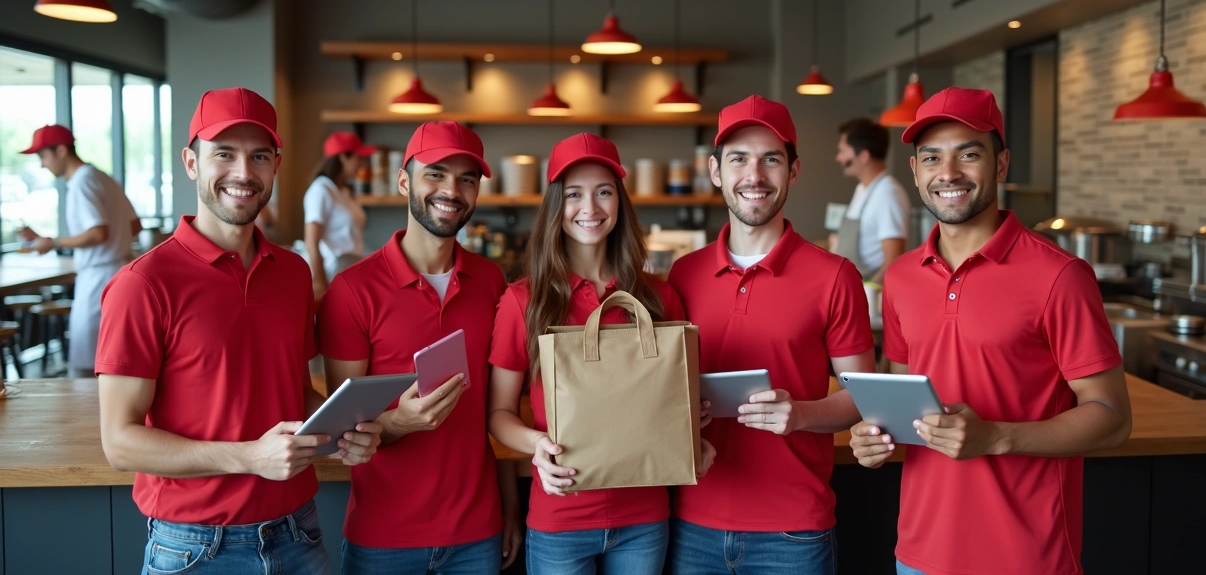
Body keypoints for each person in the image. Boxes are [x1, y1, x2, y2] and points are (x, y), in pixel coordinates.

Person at [95, 87, 382, 574]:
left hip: (299, 533)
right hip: (195, 547)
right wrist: (249, 457)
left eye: (259, 156)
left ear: (276, 166)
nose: (244, 173)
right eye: (223, 154)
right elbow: (120, 443)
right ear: (191, 162)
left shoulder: (293, 274)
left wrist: (344, 431)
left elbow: (292, 391)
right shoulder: (142, 283)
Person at [849, 87, 1132, 575]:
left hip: (1026, 556)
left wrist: (998, 437)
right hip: (918, 553)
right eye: (932, 157)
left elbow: (1112, 417)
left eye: (969, 154)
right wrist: (874, 438)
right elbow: (903, 401)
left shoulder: (1060, 276)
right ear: (915, 171)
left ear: (1001, 165)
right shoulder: (900, 278)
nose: (949, 173)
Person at [664, 95, 875, 575]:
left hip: (794, 533)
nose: (754, 176)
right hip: (690, 524)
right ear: (716, 172)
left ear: (794, 171)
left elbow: (863, 397)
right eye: (738, 159)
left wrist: (800, 413)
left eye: (771, 160)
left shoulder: (835, 276)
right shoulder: (682, 275)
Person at [486, 132, 714, 575]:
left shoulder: (660, 298)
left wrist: (692, 430)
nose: (590, 208)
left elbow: (676, 405)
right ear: (556, 205)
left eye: (604, 192)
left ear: (620, 203)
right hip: (559, 516)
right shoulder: (522, 301)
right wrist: (537, 446)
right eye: (574, 194)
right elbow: (497, 413)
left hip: (645, 519)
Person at [318, 120, 522, 574]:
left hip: (477, 535)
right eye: (436, 173)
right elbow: (341, 432)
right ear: (404, 180)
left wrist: (510, 505)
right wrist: (397, 423)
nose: (452, 189)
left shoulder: (492, 283)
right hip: (383, 539)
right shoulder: (353, 291)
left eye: (467, 179)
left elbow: (499, 407)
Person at [18, 124, 140, 377]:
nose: (42, 165)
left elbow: (97, 232)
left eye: (43, 156)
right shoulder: (101, 177)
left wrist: (52, 242)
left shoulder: (82, 182)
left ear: (61, 150)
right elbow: (134, 225)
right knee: (115, 358)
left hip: (98, 278)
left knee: (87, 364)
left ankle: (90, 415)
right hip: (121, 271)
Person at [831, 117, 910, 283]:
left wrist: (870, 295)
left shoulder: (888, 193)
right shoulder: (862, 189)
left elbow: (893, 261)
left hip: (867, 296)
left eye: (843, 151)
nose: (838, 158)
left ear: (864, 156)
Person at [304, 131, 372, 298]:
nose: (363, 164)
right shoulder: (321, 190)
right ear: (343, 157)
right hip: (333, 272)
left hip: (350, 268)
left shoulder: (343, 191)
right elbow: (312, 243)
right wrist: (322, 286)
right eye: (359, 158)